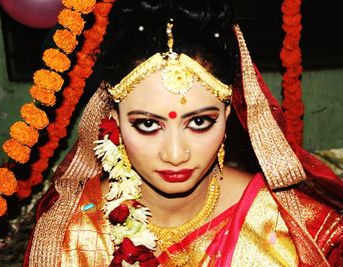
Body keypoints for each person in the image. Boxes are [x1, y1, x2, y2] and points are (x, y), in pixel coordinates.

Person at [23, 0, 343, 266]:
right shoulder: (72, 233)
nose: (175, 154)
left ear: (228, 114)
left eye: (199, 122)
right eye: (148, 124)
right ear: (114, 119)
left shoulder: (292, 228)